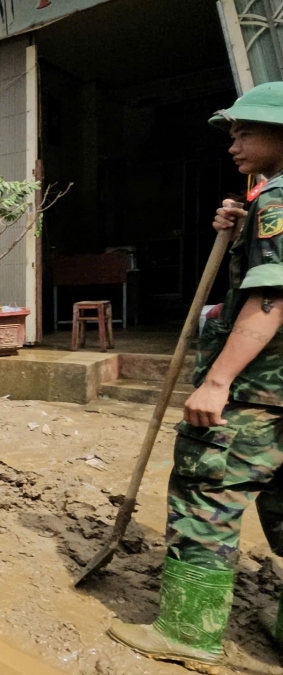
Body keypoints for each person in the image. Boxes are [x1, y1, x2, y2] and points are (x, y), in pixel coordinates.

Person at [107, 83, 283, 671]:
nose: (233, 142)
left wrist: (218, 381)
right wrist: (241, 224)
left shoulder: (279, 201)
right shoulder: (267, 201)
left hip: (258, 392)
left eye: (245, 131)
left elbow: (272, 300)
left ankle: (189, 632)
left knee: (206, 497)